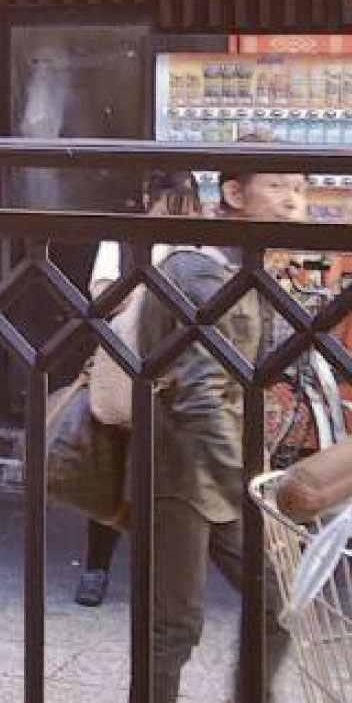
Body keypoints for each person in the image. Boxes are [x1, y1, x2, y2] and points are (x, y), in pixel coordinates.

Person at [122, 152, 316, 703]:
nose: (294, 200)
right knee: (174, 620)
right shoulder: (199, 270)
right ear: (233, 192)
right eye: (279, 185)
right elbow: (201, 390)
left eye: (300, 187)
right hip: (181, 466)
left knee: (280, 596)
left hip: (227, 467)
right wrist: (251, 486)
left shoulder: (244, 269)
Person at [73, 168, 201, 608]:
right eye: (172, 202)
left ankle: (161, 577)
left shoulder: (200, 246)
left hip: (183, 374)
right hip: (127, 369)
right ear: (149, 199)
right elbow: (104, 298)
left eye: (188, 204)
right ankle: (96, 567)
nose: (180, 213)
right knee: (112, 475)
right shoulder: (124, 241)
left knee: (172, 481)